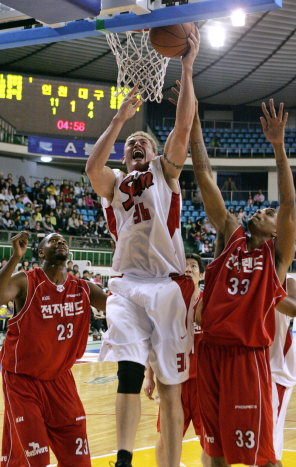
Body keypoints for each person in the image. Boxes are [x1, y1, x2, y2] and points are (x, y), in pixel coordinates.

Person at [85, 31, 200, 467]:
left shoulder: (165, 173)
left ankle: (168, 464)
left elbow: (184, 127)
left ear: (153, 153)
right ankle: (124, 458)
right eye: (132, 144)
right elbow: (93, 167)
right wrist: (119, 120)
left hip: (168, 286)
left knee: (171, 386)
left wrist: (187, 68)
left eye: (143, 142)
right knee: (129, 373)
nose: (136, 144)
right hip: (128, 285)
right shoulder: (113, 183)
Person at [190, 98, 296, 466]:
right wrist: (192, 123)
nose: (262, 211)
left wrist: (279, 148)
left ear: (274, 232)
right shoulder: (229, 235)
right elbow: (204, 175)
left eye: (268, 213)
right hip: (209, 353)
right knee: (214, 450)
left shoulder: (276, 257)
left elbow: (287, 204)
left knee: (261, 457)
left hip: (246, 359)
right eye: (261, 209)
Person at [0, 231, 107, 466]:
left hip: (61, 380)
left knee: (79, 461)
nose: (60, 242)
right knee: (34, 461)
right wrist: (15, 257)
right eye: (52, 241)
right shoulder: (26, 281)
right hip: (23, 382)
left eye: (62, 240)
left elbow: (118, 308)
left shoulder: (84, 288)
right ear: (41, 252)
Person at [144, 253, 210, 467]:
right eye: (185, 267)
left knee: (211, 441)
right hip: (174, 382)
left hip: (204, 384)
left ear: (201, 275)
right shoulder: (168, 305)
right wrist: (149, 376)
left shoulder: (209, 302)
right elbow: (155, 342)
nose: (189, 269)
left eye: (193, 266)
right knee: (165, 437)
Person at [268, 275, 296, 467]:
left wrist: (263, 285)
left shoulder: (287, 280)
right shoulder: (244, 273)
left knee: (269, 450)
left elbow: (294, 308)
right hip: (247, 368)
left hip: (275, 371)